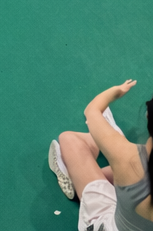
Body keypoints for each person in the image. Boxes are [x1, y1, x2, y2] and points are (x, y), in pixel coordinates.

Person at [48, 79, 152, 231]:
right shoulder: (130, 158)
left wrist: (115, 92)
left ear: (148, 116)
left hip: (109, 225)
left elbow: (92, 111)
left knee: (70, 139)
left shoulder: (129, 157)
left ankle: (75, 178)